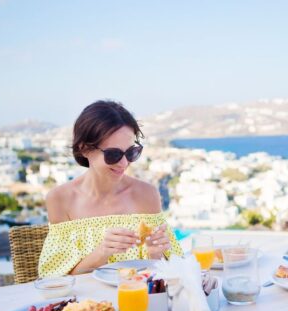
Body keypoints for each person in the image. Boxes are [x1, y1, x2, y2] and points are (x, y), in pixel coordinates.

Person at [38, 100, 183, 277]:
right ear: (84, 149)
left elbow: (170, 271)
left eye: (131, 152)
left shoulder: (147, 194)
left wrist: (155, 254)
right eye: (113, 154)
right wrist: (102, 253)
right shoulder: (60, 199)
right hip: (89, 304)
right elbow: (56, 279)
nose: (124, 163)